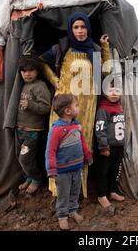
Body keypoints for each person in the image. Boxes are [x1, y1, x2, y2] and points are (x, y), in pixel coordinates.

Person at [40, 11, 111, 198]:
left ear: (88, 28)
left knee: (81, 145)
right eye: (76, 27)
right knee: (59, 145)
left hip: (85, 106)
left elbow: (106, 70)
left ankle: (78, 190)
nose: (80, 31)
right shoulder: (62, 47)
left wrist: (105, 48)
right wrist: (53, 79)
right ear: (71, 29)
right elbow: (40, 62)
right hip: (62, 104)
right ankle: (58, 191)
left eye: (83, 27)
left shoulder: (94, 49)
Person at [46, 94, 93, 230]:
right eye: (76, 105)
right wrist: (52, 169)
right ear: (68, 111)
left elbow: (82, 141)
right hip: (62, 171)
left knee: (74, 191)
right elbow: (50, 151)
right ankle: (62, 216)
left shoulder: (77, 125)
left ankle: (72, 211)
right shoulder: (56, 130)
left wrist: (87, 155)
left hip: (77, 168)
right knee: (63, 194)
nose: (78, 108)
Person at [16, 55, 52, 194]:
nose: (27, 74)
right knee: (22, 157)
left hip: (33, 130)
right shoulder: (22, 85)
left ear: (37, 71)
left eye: (31, 70)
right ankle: (29, 178)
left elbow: (46, 107)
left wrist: (30, 105)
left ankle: (37, 178)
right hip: (20, 129)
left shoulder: (39, 86)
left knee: (25, 158)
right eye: (24, 71)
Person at [95, 85, 126, 208]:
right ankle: (101, 195)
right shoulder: (103, 109)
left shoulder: (119, 107)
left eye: (117, 90)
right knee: (103, 172)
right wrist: (103, 146)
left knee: (114, 170)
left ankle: (112, 191)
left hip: (119, 145)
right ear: (104, 93)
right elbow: (100, 129)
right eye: (110, 91)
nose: (114, 93)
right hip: (108, 147)